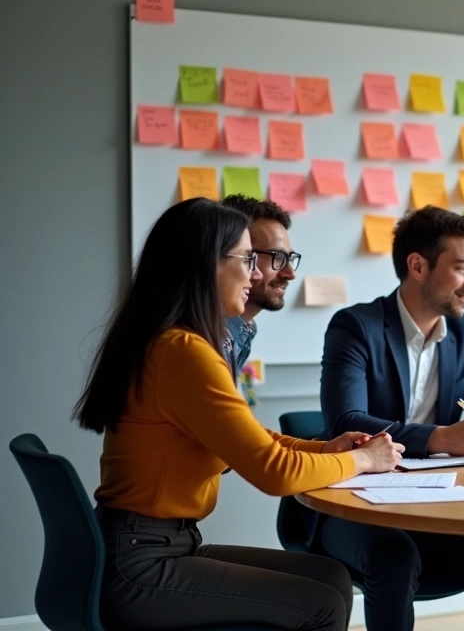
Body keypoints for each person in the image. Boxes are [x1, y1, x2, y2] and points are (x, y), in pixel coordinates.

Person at [73, 198, 403, 630]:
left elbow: (246, 436)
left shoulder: (172, 342)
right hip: (141, 563)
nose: (256, 273)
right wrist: (363, 460)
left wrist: (325, 448)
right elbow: (274, 473)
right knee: (319, 603)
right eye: (247, 259)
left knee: (331, 577)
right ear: (205, 263)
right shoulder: (183, 352)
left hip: (155, 545)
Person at [315, 205, 464, 631]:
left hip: (435, 505)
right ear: (418, 266)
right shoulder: (356, 326)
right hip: (354, 508)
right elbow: (345, 422)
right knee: (394, 555)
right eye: (462, 269)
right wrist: (441, 438)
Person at [219, 194, 300, 400]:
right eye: (277, 257)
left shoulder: (244, 329)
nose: (290, 273)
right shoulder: (200, 339)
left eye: (289, 258)